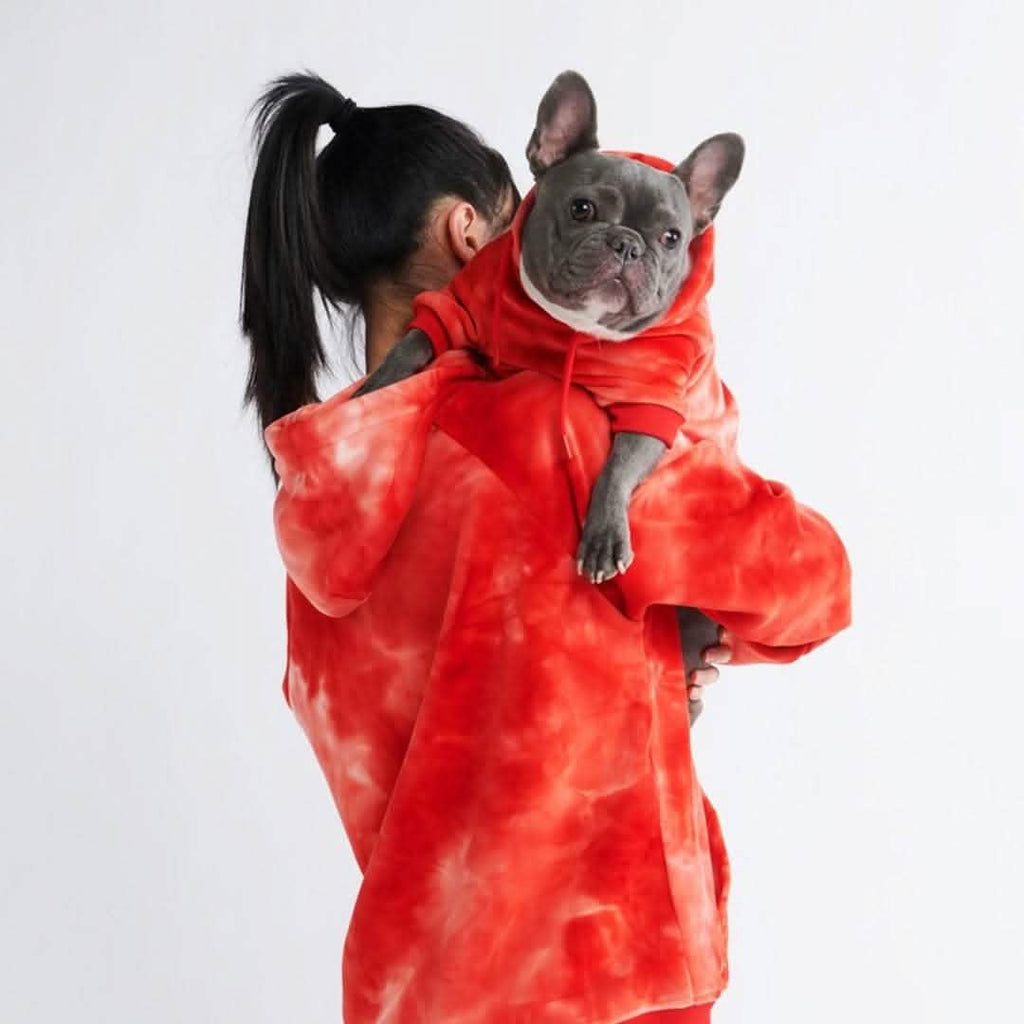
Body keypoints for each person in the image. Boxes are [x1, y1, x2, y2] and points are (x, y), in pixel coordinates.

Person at [241, 73, 849, 1023]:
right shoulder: (549, 433)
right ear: (469, 234)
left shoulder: (319, 488)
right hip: (597, 977)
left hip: (421, 982)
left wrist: (653, 666)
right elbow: (812, 583)